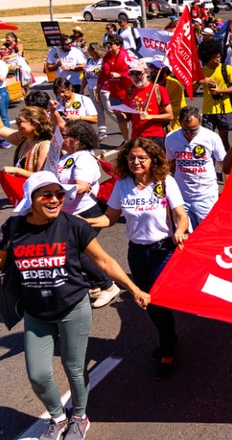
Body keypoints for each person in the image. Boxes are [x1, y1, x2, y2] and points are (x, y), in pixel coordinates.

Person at [0, 172, 150, 440]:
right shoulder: (13, 228)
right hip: (36, 313)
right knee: (38, 374)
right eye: (47, 195)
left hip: (73, 308)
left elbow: (104, 262)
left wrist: (135, 289)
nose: (55, 200)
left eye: (59, 194)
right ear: (31, 199)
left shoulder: (73, 225)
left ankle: (80, 417)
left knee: (74, 367)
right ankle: (58, 418)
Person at [84, 138, 188, 380]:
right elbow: (109, 218)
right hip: (137, 252)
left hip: (163, 249)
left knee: (156, 299)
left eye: (142, 157)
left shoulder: (165, 182)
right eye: (131, 158)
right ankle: (169, 337)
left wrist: (180, 230)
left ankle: (168, 349)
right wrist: (82, 222)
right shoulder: (122, 185)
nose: (136, 162)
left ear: (153, 159)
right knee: (145, 300)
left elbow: (180, 215)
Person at [56, 121, 121, 308]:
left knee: (77, 252)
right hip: (70, 212)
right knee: (77, 250)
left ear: (77, 140)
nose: (62, 139)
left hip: (85, 211)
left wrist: (55, 193)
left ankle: (107, 285)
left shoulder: (83, 159)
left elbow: (82, 186)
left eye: (65, 136)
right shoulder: (67, 156)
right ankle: (95, 284)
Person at [165, 107, 226, 229]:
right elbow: (170, 164)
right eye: (186, 130)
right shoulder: (171, 138)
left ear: (200, 120)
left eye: (194, 130)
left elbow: (223, 164)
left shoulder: (212, 137)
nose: (190, 134)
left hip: (206, 196)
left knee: (209, 233)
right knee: (184, 236)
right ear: (180, 122)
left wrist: (227, 190)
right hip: (181, 196)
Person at [119, 59, 173, 150]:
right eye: (132, 74)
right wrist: (121, 115)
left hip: (155, 136)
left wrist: (151, 116)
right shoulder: (130, 91)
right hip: (137, 136)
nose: (135, 77)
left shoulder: (159, 90)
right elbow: (128, 117)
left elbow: (170, 115)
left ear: (147, 72)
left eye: (138, 73)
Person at [196, 39, 232, 151]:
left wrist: (220, 91)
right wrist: (201, 81)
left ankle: (227, 167)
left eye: (219, 56)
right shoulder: (200, 72)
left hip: (224, 110)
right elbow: (190, 89)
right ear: (207, 57)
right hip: (208, 111)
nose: (217, 60)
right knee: (207, 141)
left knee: (223, 141)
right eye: (214, 57)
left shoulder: (227, 69)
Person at [96, 34, 133, 141]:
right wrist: (98, 91)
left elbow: (136, 71)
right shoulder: (107, 56)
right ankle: (126, 141)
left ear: (118, 45)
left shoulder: (127, 56)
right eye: (107, 44)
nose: (108, 46)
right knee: (120, 119)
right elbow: (102, 75)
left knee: (134, 118)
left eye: (111, 44)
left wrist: (120, 75)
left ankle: (136, 139)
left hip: (128, 92)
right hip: (114, 93)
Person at [0, 106, 52, 178]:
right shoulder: (24, 139)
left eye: (19, 121)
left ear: (34, 124)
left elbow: (41, 177)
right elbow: (1, 129)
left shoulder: (45, 145)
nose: (16, 124)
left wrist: (16, 171)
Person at [83, 43, 106, 139]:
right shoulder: (89, 61)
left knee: (109, 109)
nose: (88, 52)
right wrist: (82, 88)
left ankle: (122, 123)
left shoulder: (103, 61)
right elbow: (85, 76)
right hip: (92, 88)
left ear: (95, 51)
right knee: (98, 110)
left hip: (103, 88)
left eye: (90, 50)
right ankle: (102, 130)